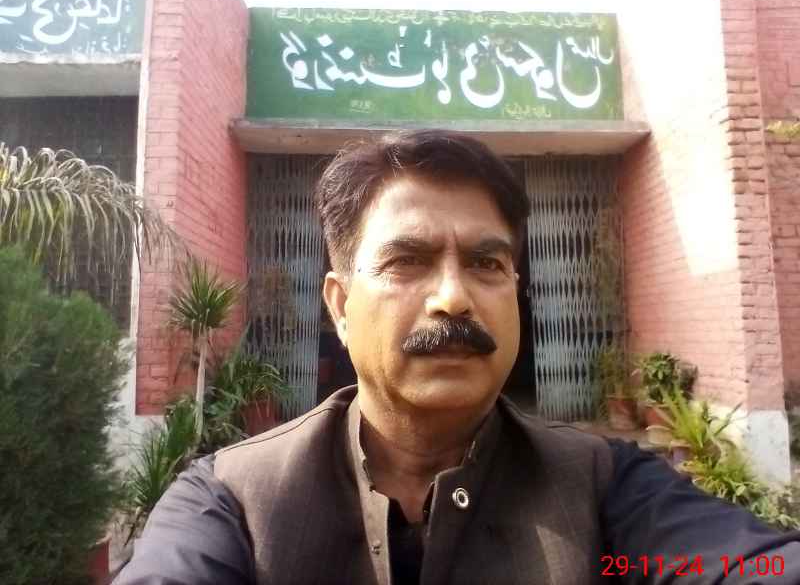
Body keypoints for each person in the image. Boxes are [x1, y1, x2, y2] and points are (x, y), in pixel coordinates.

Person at [115, 130, 800, 585]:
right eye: (407, 261)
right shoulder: (232, 502)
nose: (453, 298)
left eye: (486, 263)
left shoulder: (608, 489)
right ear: (340, 306)